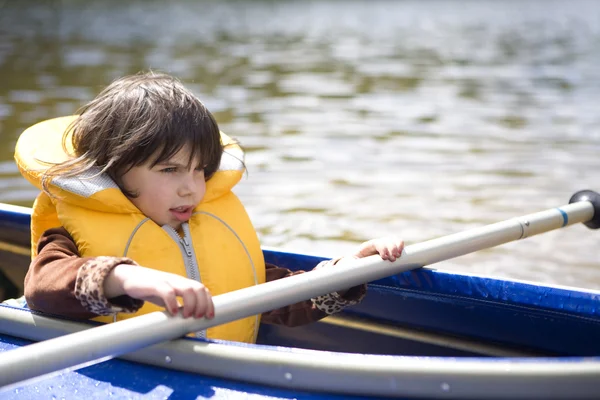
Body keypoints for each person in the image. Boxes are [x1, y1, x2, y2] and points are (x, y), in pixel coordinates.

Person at [16, 71, 404, 343]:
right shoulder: (70, 234)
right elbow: (43, 286)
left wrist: (345, 271)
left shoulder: (211, 227)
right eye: (169, 170)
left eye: (200, 170)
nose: (191, 189)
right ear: (114, 171)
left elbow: (282, 301)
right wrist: (130, 280)